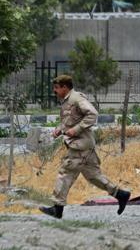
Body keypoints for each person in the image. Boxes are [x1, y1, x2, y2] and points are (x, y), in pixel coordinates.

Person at [39, 75, 130, 219]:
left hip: (79, 146)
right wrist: (59, 129)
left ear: (65, 87)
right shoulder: (67, 101)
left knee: (65, 173)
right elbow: (70, 120)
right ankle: (120, 194)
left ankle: (57, 208)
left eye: (56, 88)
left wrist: (76, 130)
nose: (54, 91)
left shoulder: (76, 99)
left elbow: (92, 114)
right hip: (84, 145)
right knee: (94, 176)